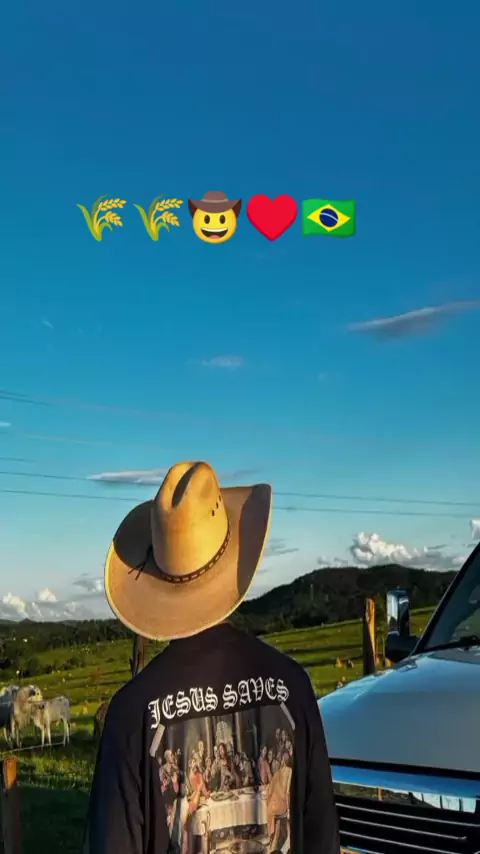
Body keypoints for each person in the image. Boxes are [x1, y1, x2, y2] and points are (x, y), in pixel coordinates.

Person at [81, 460, 339, 854]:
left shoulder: (131, 713)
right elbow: (322, 835)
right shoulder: (293, 685)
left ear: (158, 577)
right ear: (232, 555)